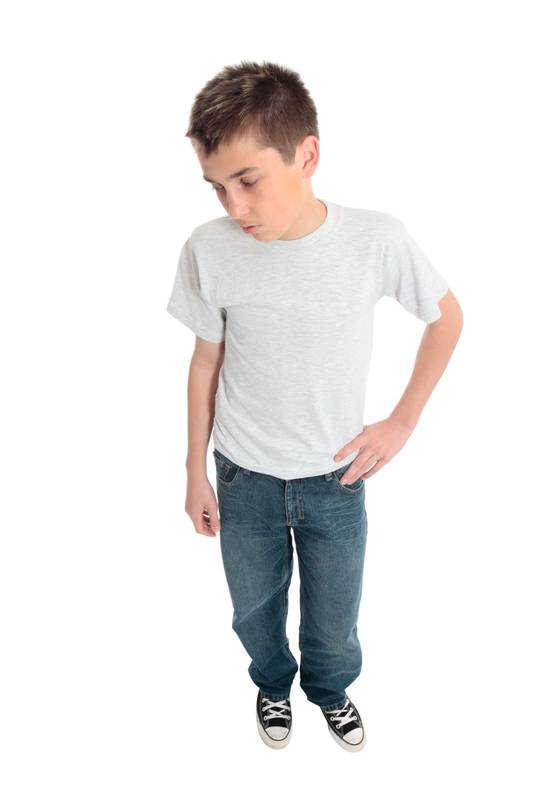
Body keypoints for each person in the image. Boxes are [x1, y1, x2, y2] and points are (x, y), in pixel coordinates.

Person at [166, 60, 463, 752]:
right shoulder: (209, 249)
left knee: (334, 616)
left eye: (248, 181)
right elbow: (206, 361)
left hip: (336, 476)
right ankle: (272, 683)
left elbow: (446, 317)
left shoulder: (374, 239)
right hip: (243, 476)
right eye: (217, 187)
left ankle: (330, 690)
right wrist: (193, 470)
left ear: (306, 155)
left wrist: (402, 422)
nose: (234, 207)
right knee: (254, 609)